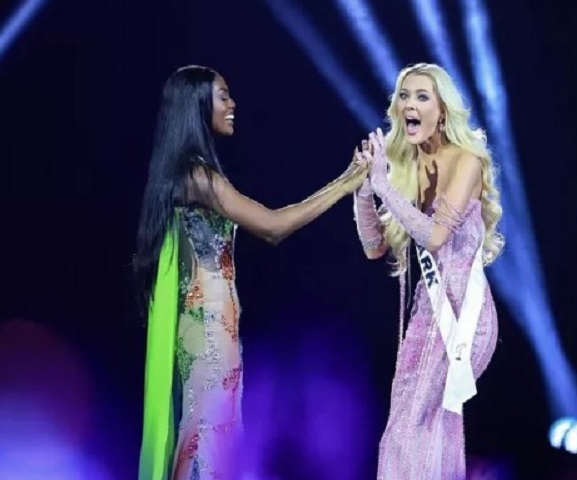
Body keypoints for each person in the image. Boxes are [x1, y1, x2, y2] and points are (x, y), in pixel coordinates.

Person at [134, 65, 370, 480]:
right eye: (223, 96)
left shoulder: (192, 174)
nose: (232, 104)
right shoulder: (198, 178)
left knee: (212, 433)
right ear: (197, 106)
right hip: (207, 335)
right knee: (207, 436)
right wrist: (344, 184)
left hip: (216, 330)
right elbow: (273, 226)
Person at [352, 63, 504, 479]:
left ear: (442, 111)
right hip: (426, 318)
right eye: (404, 96)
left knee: (414, 425)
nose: (410, 105)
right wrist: (364, 192)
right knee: (417, 426)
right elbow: (374, 247)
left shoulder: (467, 161)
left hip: (464, 317)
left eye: (422, 96)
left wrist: (384, 187)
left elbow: (435, 237)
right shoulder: (405, 168)